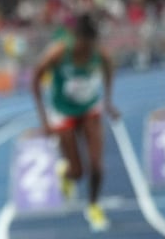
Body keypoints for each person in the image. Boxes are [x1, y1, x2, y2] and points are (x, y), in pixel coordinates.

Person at [30, 13, 119, 231]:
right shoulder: (59, 52)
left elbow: (109, 68)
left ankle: (94, 206)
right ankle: (66, 172)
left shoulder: (99, 53)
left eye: (90, 46)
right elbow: (35, 79)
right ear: (75, 39)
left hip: (89, 109)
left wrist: (108, 101)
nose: (86, 50)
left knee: (96, 165)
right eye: (83, 45)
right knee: (77, 173)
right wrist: (44, 120)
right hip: (63, 113)